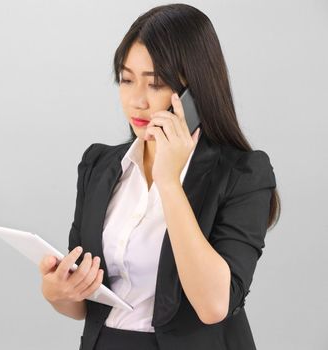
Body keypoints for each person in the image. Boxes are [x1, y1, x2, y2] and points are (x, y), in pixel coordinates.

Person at [38, 3, 281, 350]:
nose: (136, 100)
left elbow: (214, 306)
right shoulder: (100, 165)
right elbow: (83, 303)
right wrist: (56, 292)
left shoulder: (243, 173)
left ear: (193, 93)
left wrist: (169, 182)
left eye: (156, 84)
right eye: (126, 79)